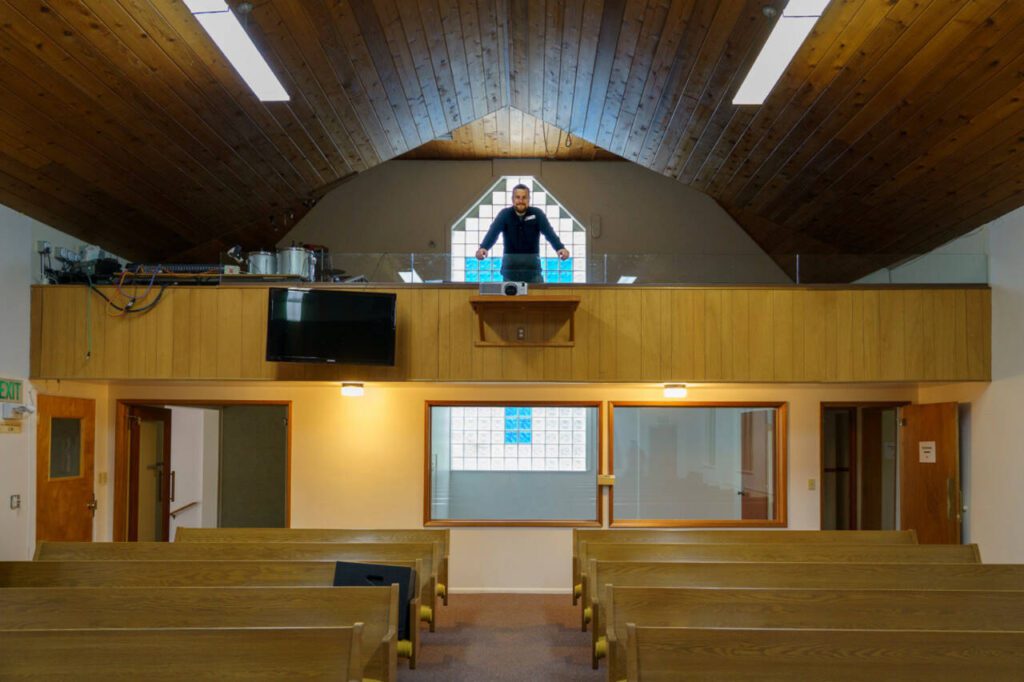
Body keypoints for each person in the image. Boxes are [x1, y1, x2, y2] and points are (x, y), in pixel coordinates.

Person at [475, 184, 570, 283]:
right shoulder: (505, 214)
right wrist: (484, 247)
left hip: (533, 271)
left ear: (529, 199)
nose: (521, 201)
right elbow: (493, 232)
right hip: (510, 272)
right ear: (512, 199)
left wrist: (560, 248)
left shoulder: (537, 214)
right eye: (518, 197)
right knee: (509, 298)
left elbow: (549, 232)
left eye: (524, 198)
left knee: (538, 298)